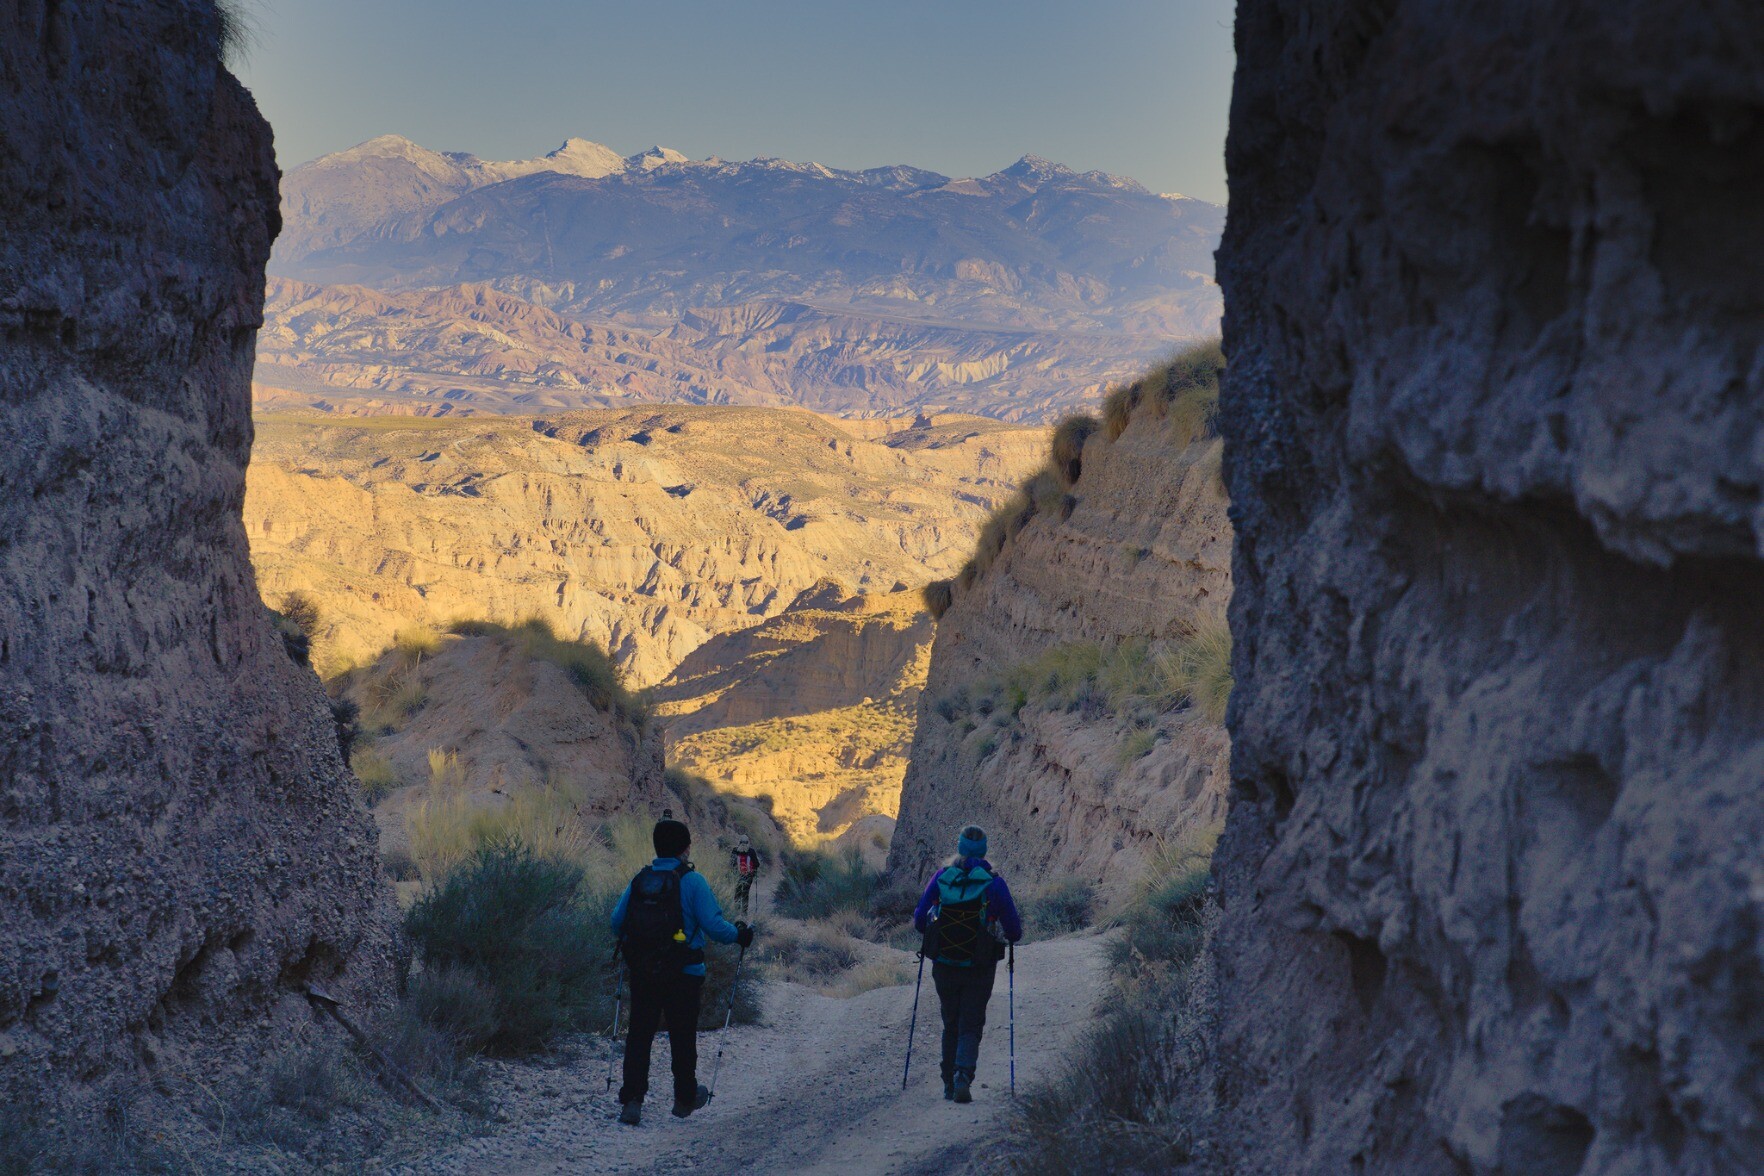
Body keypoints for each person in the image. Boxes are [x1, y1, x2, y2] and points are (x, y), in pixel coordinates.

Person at [611, 818, 755, 1126]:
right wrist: (740, 935)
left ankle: (632, 1100)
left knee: (639, 1034)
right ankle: (684, 1097)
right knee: (682, 1035)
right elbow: (715, 927)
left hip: (644, 970)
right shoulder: (693, 881)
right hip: (684, 972)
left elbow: (616, 921)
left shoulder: (641, 879)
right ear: (685, 848)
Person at [912, 824, 1022, 1104]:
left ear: (959, 847)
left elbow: (919, 921)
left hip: (945, 964)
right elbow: (1014, 930)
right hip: (979, 965)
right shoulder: (994, 883)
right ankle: (963, 1075)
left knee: (950, 1022)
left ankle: (948, 1083)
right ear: (984, 850)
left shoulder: (941, 878)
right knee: (970, 1023)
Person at [730, 836, 764, 916]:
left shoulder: (735, 850)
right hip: (749, 876)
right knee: (745, 893)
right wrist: (754, 870)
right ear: (748, 842)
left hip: (737, 875)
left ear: (739, 842)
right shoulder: (751, 851)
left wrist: (732, 872)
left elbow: (731, 863)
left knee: (737, 893)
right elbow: (756, 864)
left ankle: (737, 911)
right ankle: (744, 912)